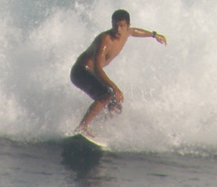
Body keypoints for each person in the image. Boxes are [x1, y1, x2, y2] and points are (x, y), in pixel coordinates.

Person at [70, 9, 167, 137]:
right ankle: (82, 128)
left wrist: (154, 35)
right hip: (80, 71)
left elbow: (135, 32)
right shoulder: (105, 39)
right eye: (115, 25)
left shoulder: (127, 32)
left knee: (115, 108)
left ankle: (94, 127)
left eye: (122, 26)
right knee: (106, 94)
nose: (118, 30)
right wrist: (115, 87)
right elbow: (98, 69)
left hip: (91, 73)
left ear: (127, 26)